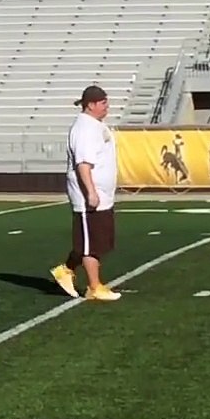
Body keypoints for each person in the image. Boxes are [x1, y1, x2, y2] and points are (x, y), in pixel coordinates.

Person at [51, 84, 121, 301]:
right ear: (90, 105)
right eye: (102, 102)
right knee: (91, 244)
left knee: (93, 241)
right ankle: (94, 286)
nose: (106, 106)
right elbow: (83, 164)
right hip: (89, 196)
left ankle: (66, 269)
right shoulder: (84, 129)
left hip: (102, 195)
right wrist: (90, 192)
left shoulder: (95, 125)